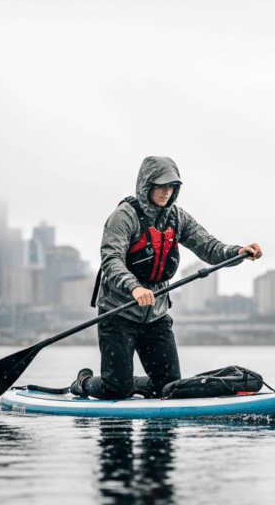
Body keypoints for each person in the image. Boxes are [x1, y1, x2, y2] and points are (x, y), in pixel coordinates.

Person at [71, 156, 262, 400]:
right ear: (146, 185)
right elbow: (111, 260)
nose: (166, 192)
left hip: (156, 316)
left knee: (170, 388)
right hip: (118, 314)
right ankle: (84, 382)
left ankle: (130, 383)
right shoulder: (123, 216)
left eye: (171, 187)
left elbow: (209, 247)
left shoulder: (178, 218)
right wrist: (134, 288)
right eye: (161, 186)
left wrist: (238, 252)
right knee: (115, 390)